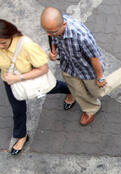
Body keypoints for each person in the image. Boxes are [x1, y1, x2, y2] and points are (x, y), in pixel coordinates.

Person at [40, 7, 121, 126]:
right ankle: (91, 109)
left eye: (52, 32)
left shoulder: (81, 36)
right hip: (69, 66)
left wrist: (100, 77)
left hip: (87, 69)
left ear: (63, 24)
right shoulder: (54, 27)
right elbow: (53, 39)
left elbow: (94, 58)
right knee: (77, 91)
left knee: (99, 91)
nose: (49, 34)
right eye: (47, 31)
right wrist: (53, 52)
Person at [0, 19, 76, 155]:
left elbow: (43, 69)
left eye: (3, 43)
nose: (0, 46)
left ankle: (73, 92)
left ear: (11, 35)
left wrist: (17, 78)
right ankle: (22, 136)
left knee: (54, 87)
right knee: (17, 110)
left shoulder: (26, 45)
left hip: (29, 79)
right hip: (10, 81)